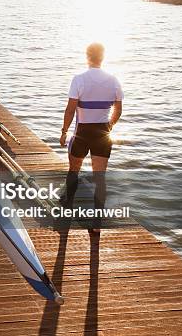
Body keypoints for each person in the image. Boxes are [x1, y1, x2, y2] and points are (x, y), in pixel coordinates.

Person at [59, 43, 123, 231]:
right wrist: (109, 125)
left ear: (87, 56)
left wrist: (63, 131)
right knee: (100, 177)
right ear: (102, 57)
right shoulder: (113, 80)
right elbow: (118, 109)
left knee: (74, 170)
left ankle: (67, 210)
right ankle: (96, 224)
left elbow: (71, 109)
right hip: (103, 134)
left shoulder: (79, 79)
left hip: (82, 133)